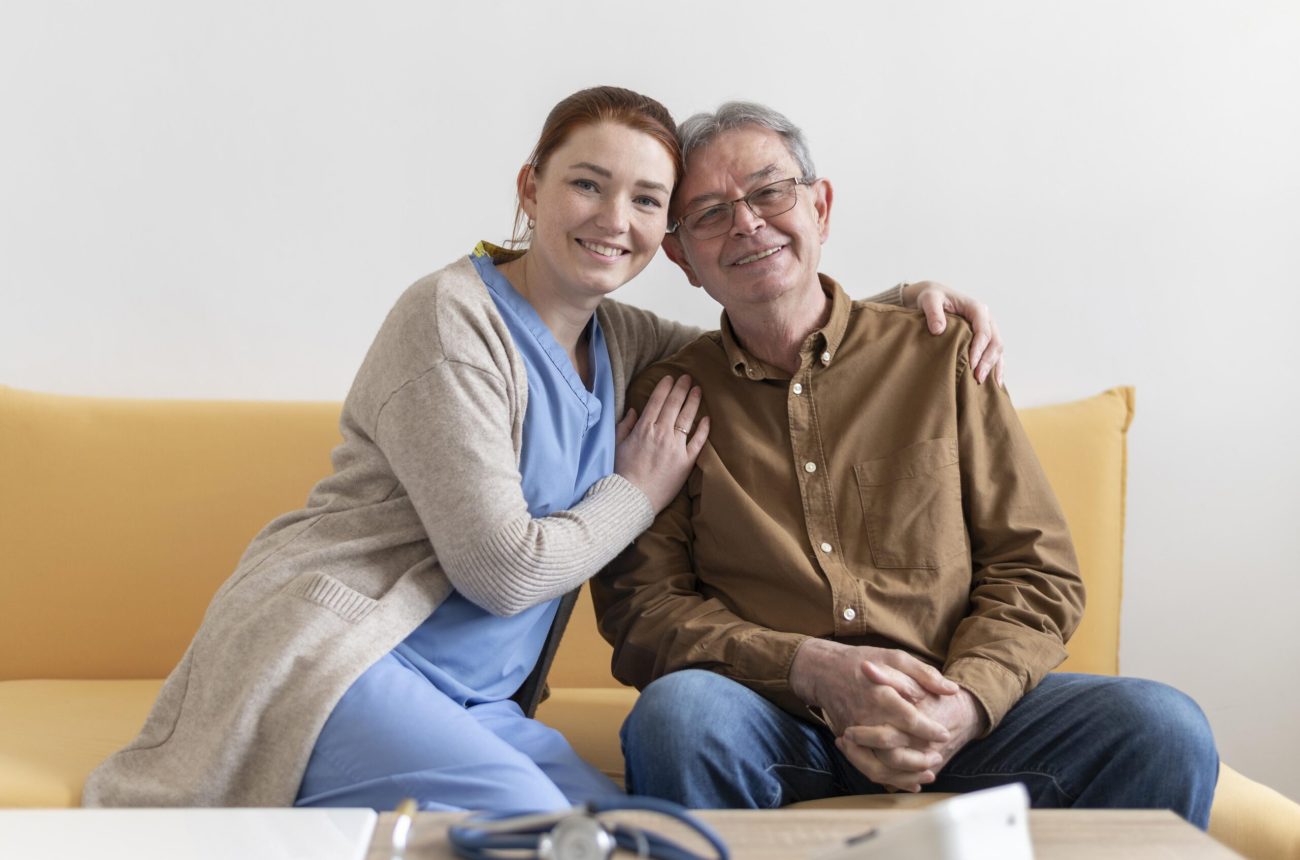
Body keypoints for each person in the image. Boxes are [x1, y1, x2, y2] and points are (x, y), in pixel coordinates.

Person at [82, 87, 1005, 813]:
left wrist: (896, 308)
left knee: (633, 832)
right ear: (530, 188)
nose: (614, 218)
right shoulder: (449, 321)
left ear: (668, 238)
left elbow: (761, 322)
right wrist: (637, 491)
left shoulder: (621, 339)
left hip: (480, 706)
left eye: (646, 200)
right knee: (541, 829)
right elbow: (503, 574)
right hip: (343, 660)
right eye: (587, 184)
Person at [592, 101, 1219, 827]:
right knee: (678, 716)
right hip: (776, 720)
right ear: (682, 258)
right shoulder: (669, 398)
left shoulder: (940, 353)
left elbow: (1034, 569)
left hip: (962, 717)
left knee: (1163, 727)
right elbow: (645, 610)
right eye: (709, 213)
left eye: (770, 192)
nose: (748, 223)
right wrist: (808, 668)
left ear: (821, 207)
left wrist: (967, 701)